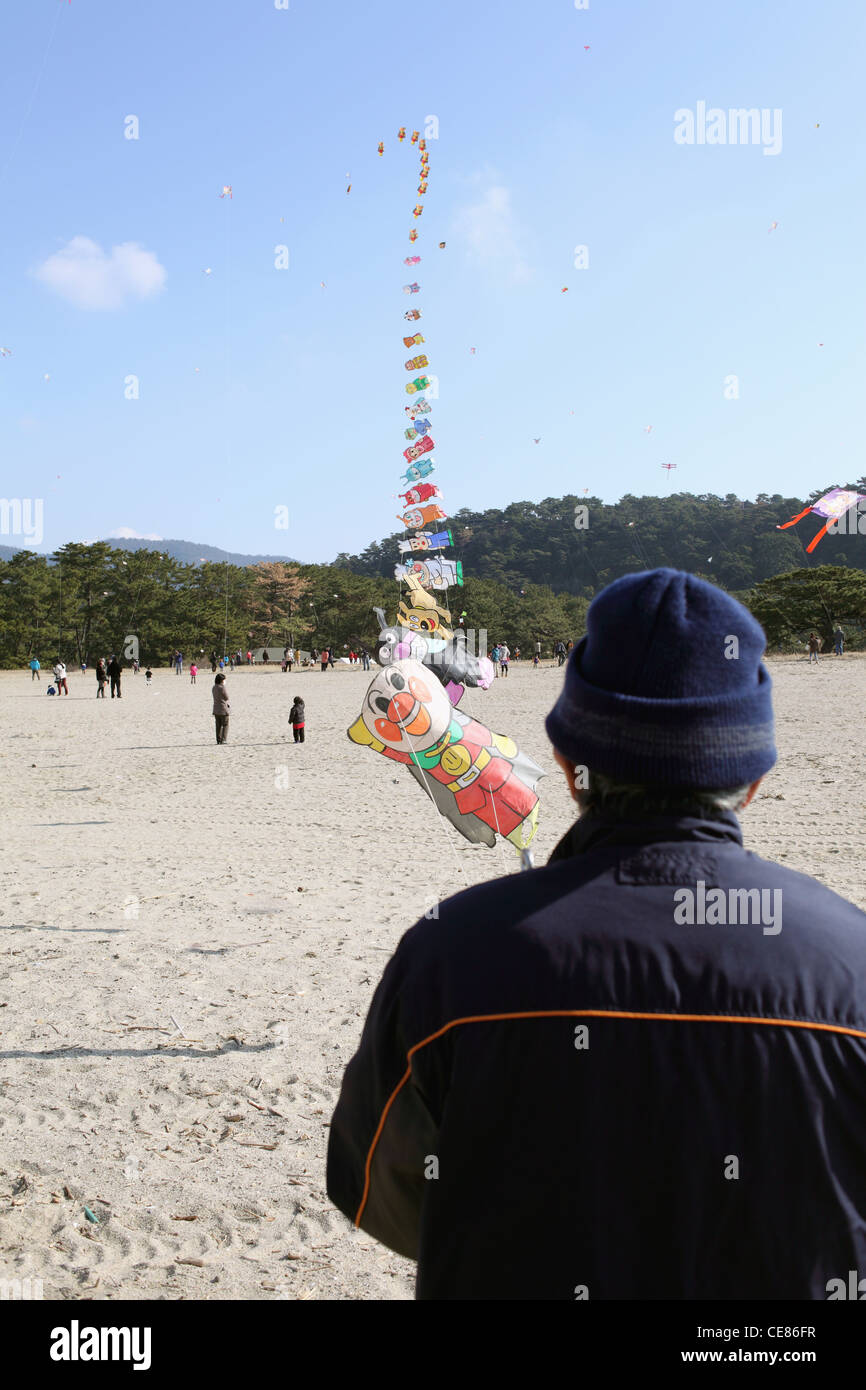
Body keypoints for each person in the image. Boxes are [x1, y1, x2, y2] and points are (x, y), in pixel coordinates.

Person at [327, 567, 866, 1300]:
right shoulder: (850, 964)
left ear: (565, 766)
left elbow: (375, 1191)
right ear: (753, 778)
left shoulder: (449, 955)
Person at [212, 672, 230, 744]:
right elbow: (226, 697)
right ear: (221, 680)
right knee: (225, 724)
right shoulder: (222, 687)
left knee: (218, 725)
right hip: (223, 709)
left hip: (216, 709)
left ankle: (218, 739)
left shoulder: (214, 687)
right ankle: (224, 739)